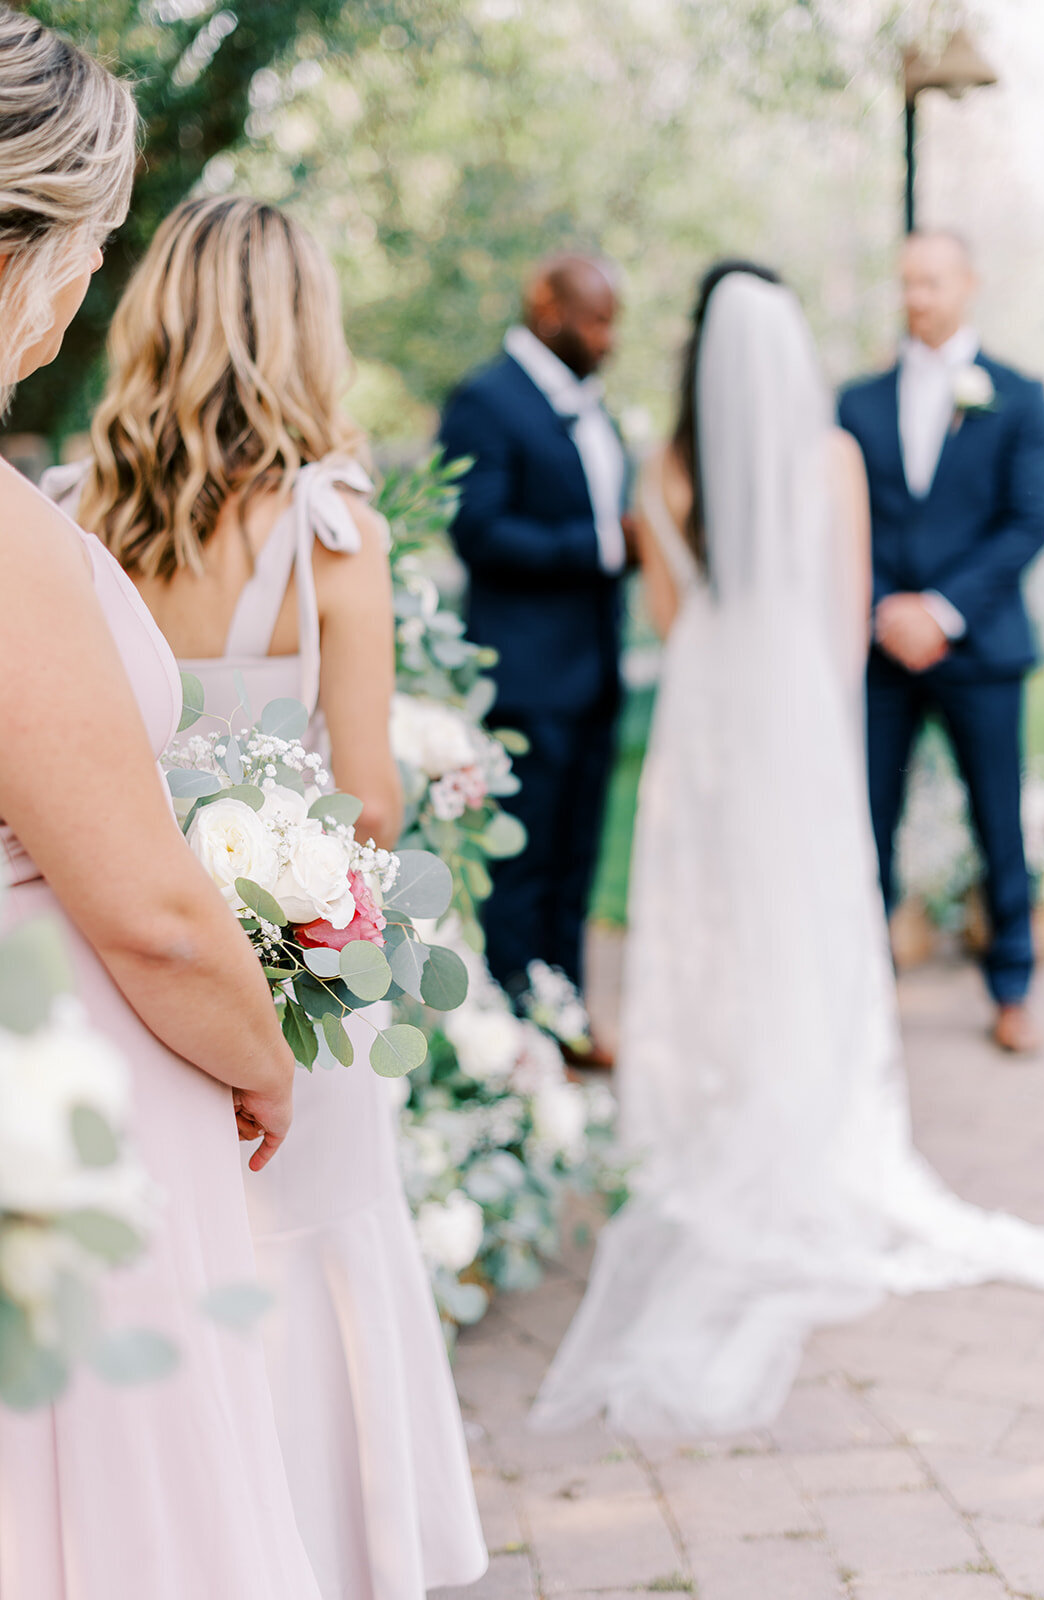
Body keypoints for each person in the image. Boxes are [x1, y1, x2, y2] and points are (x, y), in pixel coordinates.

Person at [529, 264, 1044, 1439]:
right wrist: (818, 734)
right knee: (802, 914)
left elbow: (675, 617)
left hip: (704, 714)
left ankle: (713, 1115)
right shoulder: (832, 455)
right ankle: (804, 1113)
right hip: (792, 712)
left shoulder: (674, 464)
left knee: (712, 919)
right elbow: (839, 614)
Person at [47, 195, 487, 1600]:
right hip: (297, 982)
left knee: (176, 1290)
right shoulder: (332, 531)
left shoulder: (64, 512)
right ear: (304, 332)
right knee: (317, 1269)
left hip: (115, 971)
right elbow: (367, 802)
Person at [0, 15, 324, 1598]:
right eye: (95, 246)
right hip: (66, 1138)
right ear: (30, 241)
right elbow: (140, 906)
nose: (88, 293)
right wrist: (264, 1060)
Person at [840, 231, 1044, 1055]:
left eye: (931, 281)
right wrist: (882, 611)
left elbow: (1025, 523)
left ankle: (1011, 987)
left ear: (967, 284)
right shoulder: (855, 403)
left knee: (997, 822)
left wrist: (937, 611)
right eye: (905, 283)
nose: (916, 297)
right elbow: (836, 520)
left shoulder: (1020, 395)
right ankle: (864, 986)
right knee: (867, 820)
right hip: (877, 653)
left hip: (980, 648)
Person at [438, 255, 629, 1049]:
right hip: (526, 679)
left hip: (592, 675)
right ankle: (519, 1037)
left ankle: (566, 1014)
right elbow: (478, 531)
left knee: (575, 859)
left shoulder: (590, 406)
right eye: (594, 320)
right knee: (523, 870)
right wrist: (606, 545)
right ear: (544, 307)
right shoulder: (485, 401)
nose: (607, 338)